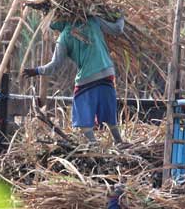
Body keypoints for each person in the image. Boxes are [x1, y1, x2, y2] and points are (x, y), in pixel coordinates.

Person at [22, 15, 126, 146]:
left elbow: (55, 65)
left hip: (87, 77)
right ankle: (119, 141)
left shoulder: (64, 37)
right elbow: (117, 29)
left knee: (81, 109)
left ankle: (93, 143)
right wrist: (121, 17)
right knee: (108, 108)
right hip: (107, 72)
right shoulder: (92, 20)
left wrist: (36, 71)